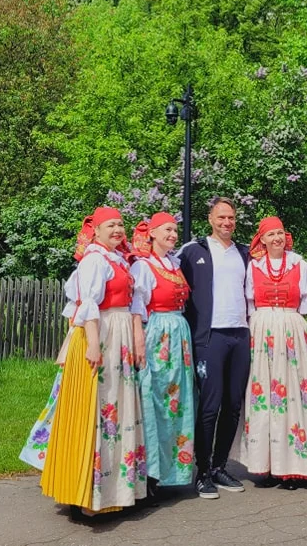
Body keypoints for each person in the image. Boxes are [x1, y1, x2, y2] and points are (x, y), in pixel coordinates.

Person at [23, 206, 147, 517]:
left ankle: (111, 493)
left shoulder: (118, 259)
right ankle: (86, 495)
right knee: (96, 411)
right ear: (96, 230)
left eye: (120, 225)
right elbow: (87, 303)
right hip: (101, 334)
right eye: (110, 226)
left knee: (114, 412)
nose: (117, 230)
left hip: (116, 335)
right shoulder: (94, 259)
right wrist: (93, 344)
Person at [242, 216, 307, 487]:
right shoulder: (253, 267)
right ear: (262, 239)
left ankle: (291, 467)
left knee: (292, 396)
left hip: (292, 330)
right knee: (265, 398)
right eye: (270, 235)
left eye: (280, 233)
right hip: (261, 332)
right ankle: (266, 465)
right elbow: (247, 305)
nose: (276, 239)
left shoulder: (299, 265)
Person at [179, 197, 250, 499]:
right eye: (221, 217)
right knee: (210, 405)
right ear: (210, 218)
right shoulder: (192, 251)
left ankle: (220, 466)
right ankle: (202, 471)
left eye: (231, 218)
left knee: (233, 405)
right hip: (210, 337)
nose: (226, 223)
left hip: (240, 335)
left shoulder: (246, 253)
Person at [130, 212, 196, 492]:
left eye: (174, 230)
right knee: (154, 399)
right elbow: (137, 306)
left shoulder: (174, 262)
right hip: (157, 333)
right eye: (167, 230)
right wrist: (140, 341)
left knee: (178, 403)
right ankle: (150, 474)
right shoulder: (143, 266)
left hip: (178, 332)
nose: (172, 235)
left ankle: (172, 472)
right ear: (152, 233)